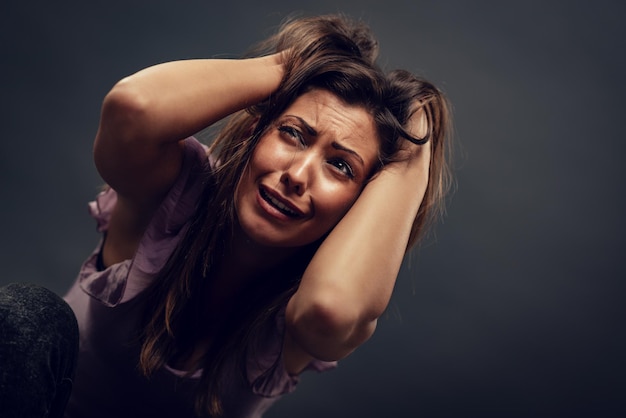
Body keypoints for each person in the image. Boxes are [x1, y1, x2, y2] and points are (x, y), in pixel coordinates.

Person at [0, 14, 451, 418]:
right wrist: (303, 61)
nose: (297, 174)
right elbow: (132, 111)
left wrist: (420, 136)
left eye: (340, 165)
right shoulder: (171, 199)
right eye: (293, 135)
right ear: (255, 134)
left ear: (360, 206)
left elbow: (330, 309)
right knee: (32, 316)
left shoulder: (310, 307)